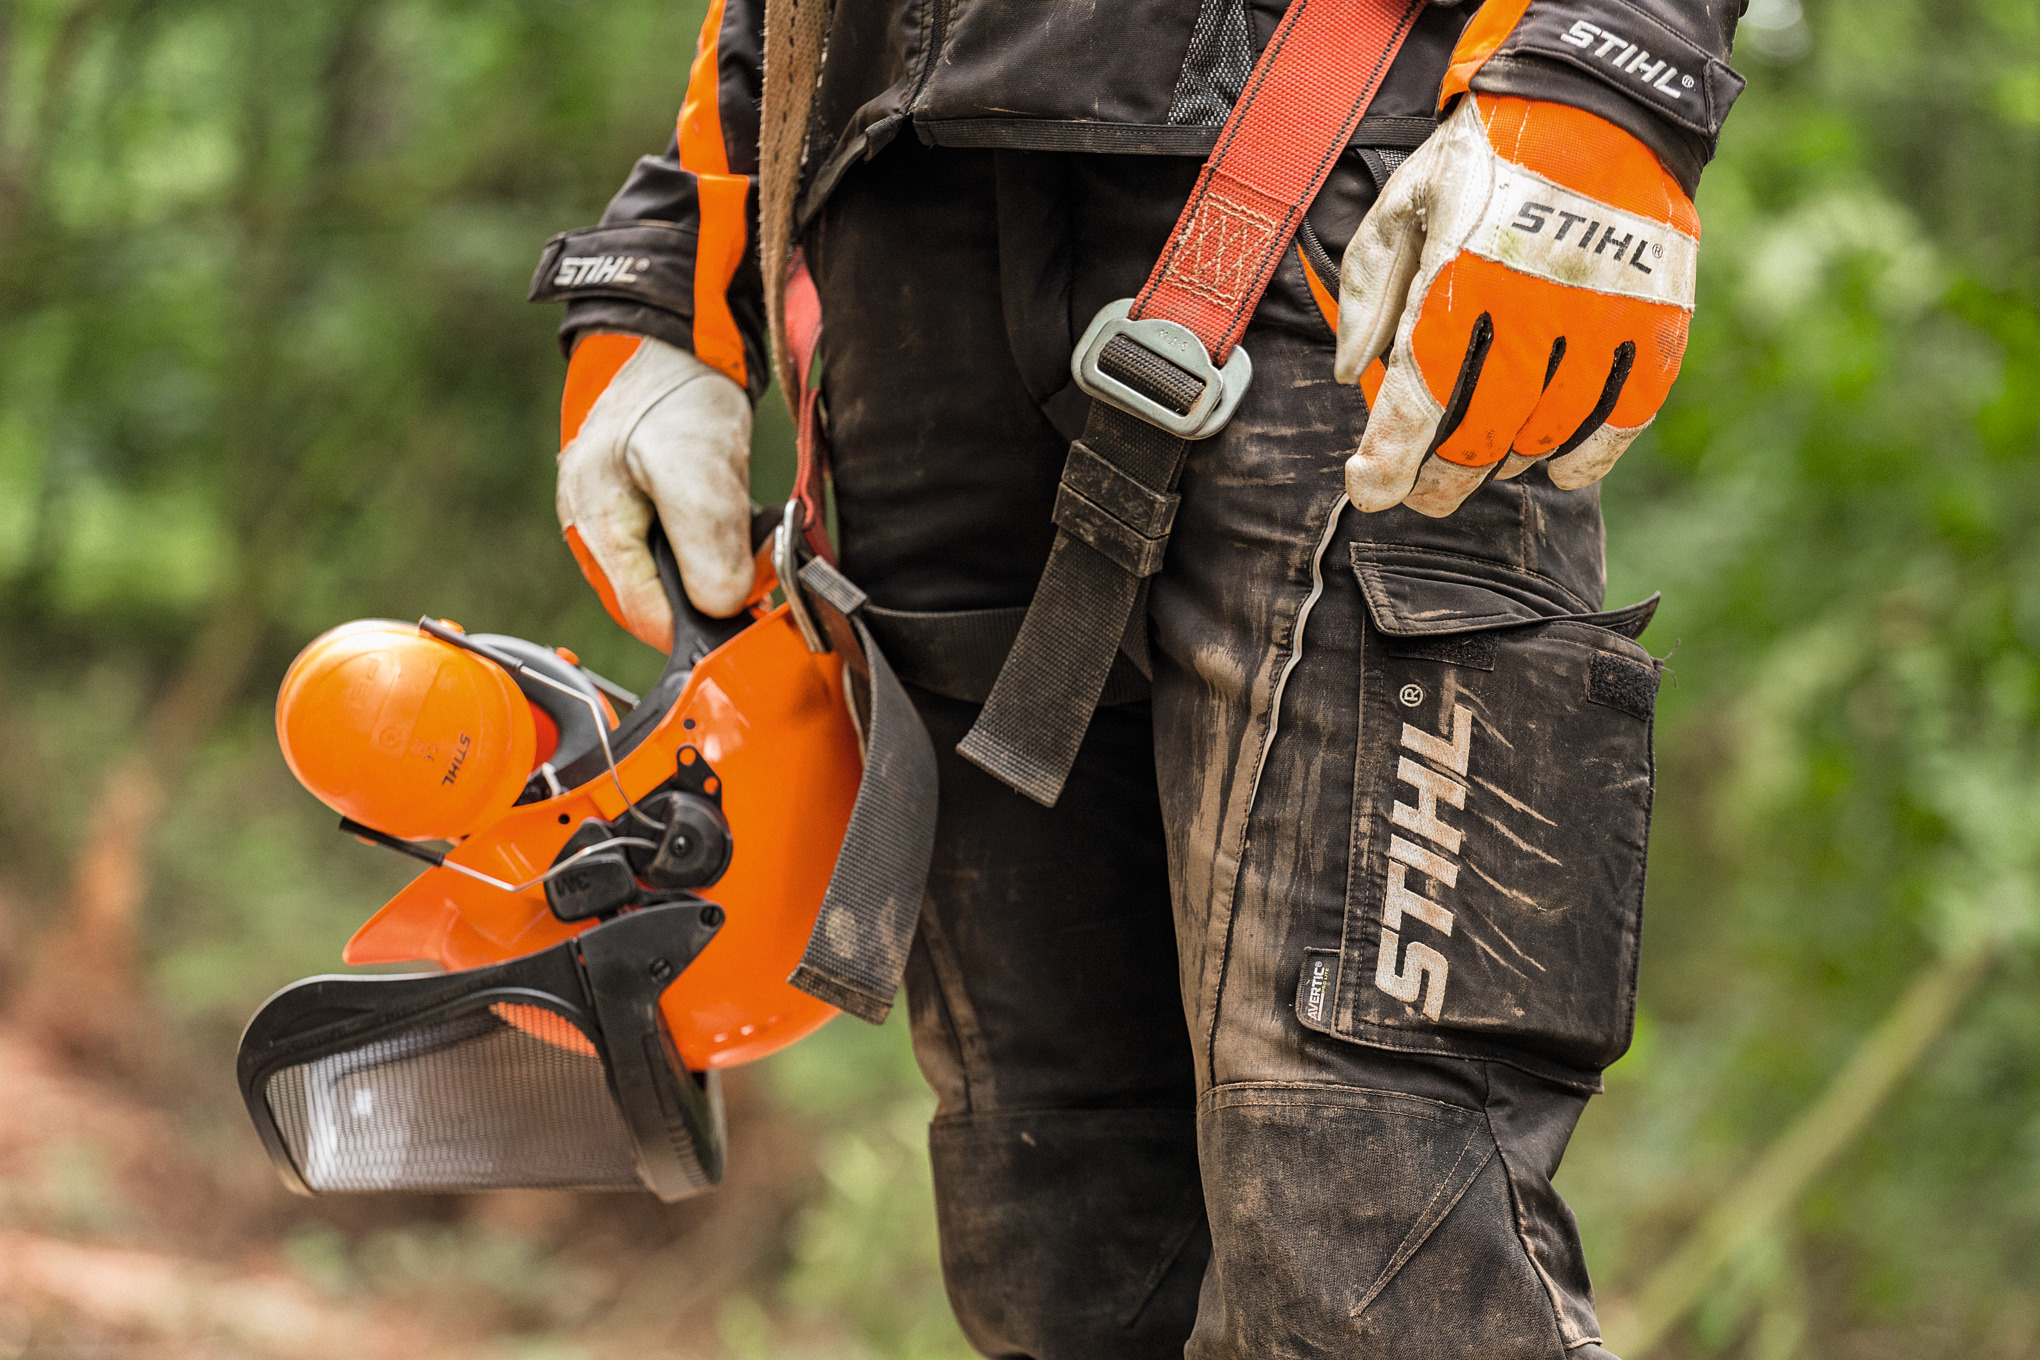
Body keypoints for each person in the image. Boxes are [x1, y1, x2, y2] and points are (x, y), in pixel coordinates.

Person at [536, 0, 1744, 1354]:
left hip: (1343, 172)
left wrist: (1609, 73)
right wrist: (688, 237)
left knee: (1372, 1226)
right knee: (1054, 1238)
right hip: (887, 229)